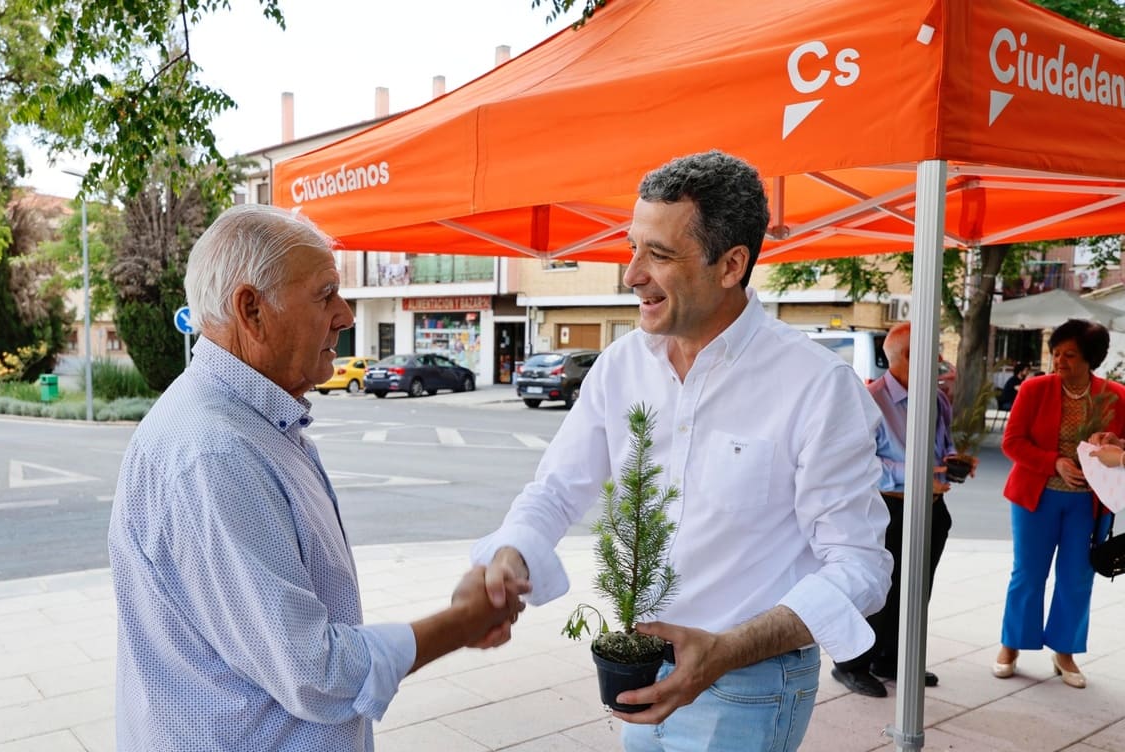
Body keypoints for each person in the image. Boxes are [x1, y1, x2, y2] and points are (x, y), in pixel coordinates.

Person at [474, 151, 893, 751]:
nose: (632, 274)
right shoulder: (621, 365)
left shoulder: (816, 387)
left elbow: (860, 566)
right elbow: (557, 488)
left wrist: (726, 651)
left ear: (731, 265)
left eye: (660, 255)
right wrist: (512, 551)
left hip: (750, 685)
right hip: (641, 668)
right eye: (632, 247)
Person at [107, 204, 525, 751]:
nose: (346, 315)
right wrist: (462, 622)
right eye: (325, 294)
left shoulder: (249, 422)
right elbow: (315, 671)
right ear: (251, 309)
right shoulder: (215, 452)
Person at [830, 322, 965, 697]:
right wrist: (920, 474)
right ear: (905, 357)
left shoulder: (936, 399)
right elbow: (860, 464)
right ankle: (851, 664)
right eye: (931, 351)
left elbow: (944, 444)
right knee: (879, 592)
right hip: (889, 510)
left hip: (933, 509)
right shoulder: (871, 399)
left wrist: (953, 461)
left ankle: (892, 659)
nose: (939, 359)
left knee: (918, 590)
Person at [994, 319, 1125, 688]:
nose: (1059, 361)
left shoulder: (1115, 394)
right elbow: (1012, 442)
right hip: (1037, 497)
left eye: (1069, 354)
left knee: (1077, 577)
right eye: (1056, 353)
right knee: (1028, 574)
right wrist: (1054, 461)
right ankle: (1011, 645)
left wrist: (1114, 441)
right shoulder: (1034, 389)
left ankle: (1064, 651)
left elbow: (1122, 444)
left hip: (1090, 504)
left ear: (1091, 359)